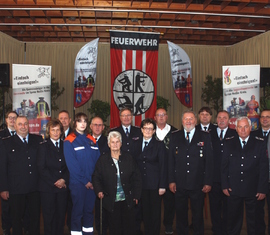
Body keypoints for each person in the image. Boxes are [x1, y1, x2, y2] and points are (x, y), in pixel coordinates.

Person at [169, 110, 213, 235]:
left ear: (195, 121)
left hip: (198, 183)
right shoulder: (175, 135)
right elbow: (171, 160)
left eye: (191, 119)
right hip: (179, 183)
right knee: (181, 213)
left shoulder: (205, 136)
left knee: (197, 214)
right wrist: (171, 180)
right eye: (186, 119)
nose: (188, 121)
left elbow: (209, 161)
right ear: (182, 121)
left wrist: (208, 181)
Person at [221, 116, 268, 235]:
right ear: (236, 128)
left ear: (250, 128)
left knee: (254, 222)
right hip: (233, 188)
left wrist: (262, 188)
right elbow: (224, 166)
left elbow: (264, 167)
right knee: (233, 221)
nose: (243, 130)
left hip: (253, 189)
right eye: (240, 127)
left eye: (245, 126)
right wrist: (225, 185)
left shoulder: (259, 143)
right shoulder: (228, 142)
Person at [92, 131, 142, 235]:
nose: (115, 144)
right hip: (110, 200)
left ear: (121, 143)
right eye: (112, 142)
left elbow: (137, 177)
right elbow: (96, 177)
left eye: (117, 142)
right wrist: (99, 190)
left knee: (129, 227)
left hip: (128, 199)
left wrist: (136, 195)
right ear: (109, 144)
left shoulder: (129, 158)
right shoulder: (103, 160)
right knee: (115, 228)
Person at [0, 116, 43, 235]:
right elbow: (2, 166)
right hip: (16, 188)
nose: (23, 127)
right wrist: (3, 188)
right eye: (20, 124)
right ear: (15, 126)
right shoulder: (6, 142)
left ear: (28, 125)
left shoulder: (38, 140)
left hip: (34, 188)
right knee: (16, 220)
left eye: (25, 124)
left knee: (34, 220)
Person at [64, 112, 100, 235]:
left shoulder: (91, 139)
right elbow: (72, 166)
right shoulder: (69, 141)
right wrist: (86, 181)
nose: (83, 124)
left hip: (92, 184)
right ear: (75, 123)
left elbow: (98, 161)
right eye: (80, 121)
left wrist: (94, 181)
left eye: (85, 121)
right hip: (78, 184)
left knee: (89, 212)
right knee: (77, 212)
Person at [133, 118, 167, 235]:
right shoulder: (136, 144)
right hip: (140, 185)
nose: (148, 131)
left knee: (154, 214)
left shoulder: (159, 145)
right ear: (141, 130)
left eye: (150, 129)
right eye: (145, 128)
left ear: (154, 131)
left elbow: (163, 166)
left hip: (154, 185)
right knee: (144, 213)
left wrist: (162, 185)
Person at [37, 119, 69, 235]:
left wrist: (64, 179)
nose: (55, 133)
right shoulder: (43, 146)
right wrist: (55, 181)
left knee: (60, 217)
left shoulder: (66, 145)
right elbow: (41, 168)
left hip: (63, 188)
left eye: (58, 130)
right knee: (49, 218)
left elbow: (70, 166)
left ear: (61, 132)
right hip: (48, 188)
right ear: (48, 132)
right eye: (53, 130)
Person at [209, 110, 237, 235]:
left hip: (230, 179)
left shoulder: (235, 134)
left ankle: (227, 230)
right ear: (216, 120)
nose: (221, 120)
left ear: (229, 120)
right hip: (213, 178)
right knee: (214, 208)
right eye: (219, 117)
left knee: (228, 208)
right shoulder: (208, 134)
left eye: (224, 118)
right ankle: (216, 230)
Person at [154, 108, 177, 235]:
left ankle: (168, 225)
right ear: (155, 117)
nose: (161, 117)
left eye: (163, 115)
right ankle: (154, 226)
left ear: (167, 117)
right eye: (159, 115)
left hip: (169, 174)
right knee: (154, 204)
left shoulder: (175, 132)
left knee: (170, 203)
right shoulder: (149, 132)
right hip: (154, 175)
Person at [90, 116, 110, 235]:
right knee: (87, 210)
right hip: (87, 182)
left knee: (101, 211)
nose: (97, 127)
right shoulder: (85, 140)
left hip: (103, 182)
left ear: (103, 127)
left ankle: (101, 231)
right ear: (91, 126)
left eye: (100, 125)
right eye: (95, 125)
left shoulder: (108, 142)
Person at [252, 109, 270, 235]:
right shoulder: (253, 135)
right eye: (262, 117)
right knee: (257, 211)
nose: (265, 119)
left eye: (268, 117)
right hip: (256, 180)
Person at [0, 111, 18, 235]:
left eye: (14, 118)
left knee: (20, 206)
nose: (12, 120)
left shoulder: (22, 135)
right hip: (5, 175)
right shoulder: (1, 135)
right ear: (6, 120)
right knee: (6, 206)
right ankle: (6, 228)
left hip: (19, 177)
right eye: (10, 118)